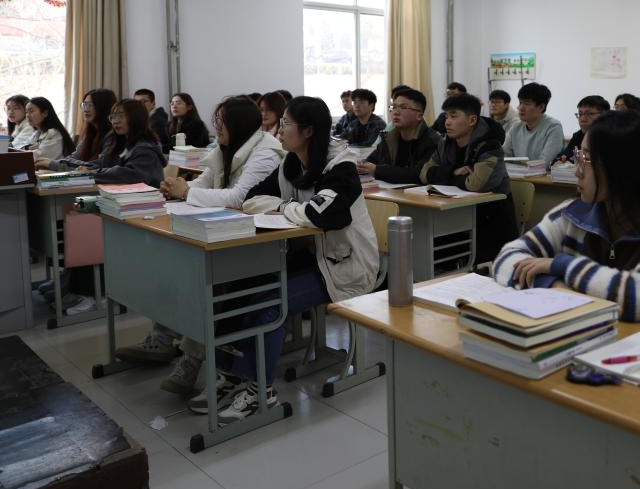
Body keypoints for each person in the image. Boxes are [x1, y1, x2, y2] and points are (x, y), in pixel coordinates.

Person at [198, 96, 377, 423]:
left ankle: (259, 388)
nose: (277, 130)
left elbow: (325, 215)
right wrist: (290, 210)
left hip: (345, 265)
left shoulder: (341, 168)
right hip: (311, 259)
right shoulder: (291, 164)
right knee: (240, 284)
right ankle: (236, 373)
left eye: (285, 124)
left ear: (308, 131)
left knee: (270, 301)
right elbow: (252, 199)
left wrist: (282, 208)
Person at [119, 96, 287, 397]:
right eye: (216, 120)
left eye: (221, 121)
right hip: (223, 233)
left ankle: (191, 357)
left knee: (202, 280)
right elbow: (206, 182)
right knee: (178, 267)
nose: (216, 126)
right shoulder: (227, 147)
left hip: (257, 243)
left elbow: (238, 197)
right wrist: (180, 188)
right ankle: (164, 336)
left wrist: (187, 193)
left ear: (238, 124)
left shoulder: (266, 153)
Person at [494, 111, 640, 321]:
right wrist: (556, 287)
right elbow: (506, 258)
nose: (577, 171)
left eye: (586, 159)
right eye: (578, 156)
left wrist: (560, 264)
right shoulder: (572, 214)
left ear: (622, 168)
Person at [421, 93, 517, 264]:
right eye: (446, 116)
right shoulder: (445, 142)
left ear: (472, 120)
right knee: (426, 245)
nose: (447, 122)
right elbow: (424, 174)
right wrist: (453, 172)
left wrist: (442, 175)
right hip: (455, 214)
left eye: (453, 116)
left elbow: (475, 185)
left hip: (491, 219)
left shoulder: (490, 146)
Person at [80, 99, 167, 187]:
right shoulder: (120, 143)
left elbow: (127, 175)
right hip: (121, 196)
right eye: (113, 117)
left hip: (145, 198)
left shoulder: (146, 149)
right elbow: (105, 162)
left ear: (136, 118)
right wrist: (87, 169)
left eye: (121, 116)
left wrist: (90, 174)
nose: (115, 121)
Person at [361, 88, 439, 184]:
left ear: (419, 115)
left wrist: (377, 170)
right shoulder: (388, 138)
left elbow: (418, 174)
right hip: (389, 194)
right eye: (394, 107)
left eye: (403, 107)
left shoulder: (432, 141)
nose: (396, 112)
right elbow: (370, 163)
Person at [37, 89, 117, 171]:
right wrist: (52, 163)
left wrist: (52, 164)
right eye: (84, 105)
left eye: (90, 105)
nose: (86, 110)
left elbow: (97, 166)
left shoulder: (112, 135)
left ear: (104, 107)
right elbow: (74, 158)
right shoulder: (91, 133)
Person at [502, 83, 565, 164]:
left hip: (543, 176)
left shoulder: (553, 127)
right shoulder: (516, 127)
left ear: (541, 107)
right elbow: (504, 156)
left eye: (527, 104)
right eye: (520, 103)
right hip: (517, 175)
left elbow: (545, 162)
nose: (520, 108)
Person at [553, 95, 609, 163]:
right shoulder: (578, 136)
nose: (582, 119)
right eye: (580, 114)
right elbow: (562, 156)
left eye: (589, 114)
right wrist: (562, 158)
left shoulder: (614, 137)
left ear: (605, 115)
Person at [23, 97, 75, 161]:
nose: (27, 115)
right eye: (26, 112)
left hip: (53, 170)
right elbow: (26, 148)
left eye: (31, 111)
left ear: (45, 113)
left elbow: (40, 157)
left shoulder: (53, 133)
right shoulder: (36, 133)